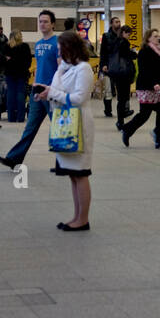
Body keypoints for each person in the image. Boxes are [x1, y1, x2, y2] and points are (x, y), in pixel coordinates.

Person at [34, 31, 95, 230]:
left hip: (78, 124)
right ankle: (76, 216)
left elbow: (79, 97)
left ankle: (83, 219)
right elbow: (57, 90)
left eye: (60, 50)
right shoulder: (63, 68)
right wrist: (45, 92)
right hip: (64, 123)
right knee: (72, 174)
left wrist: (53, 93)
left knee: (81, 173)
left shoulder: (84, 69)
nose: (58, 54)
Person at [0, 11, 62, 170]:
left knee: (58, 128)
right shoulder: (39, 44)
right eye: (40, 21)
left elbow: (61, 68)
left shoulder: (57, 43)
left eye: (46, 22)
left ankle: (63, 163)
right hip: (37, 90)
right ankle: (14, 158)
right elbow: (40, 67)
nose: (43, 24)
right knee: (30, 127)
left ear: (53, 24)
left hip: (51, 91)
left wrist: (54, 89)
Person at [121, 28, 160, 149]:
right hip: (147, 86)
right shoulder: (145, 51)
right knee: (145, 114)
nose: (158, 38)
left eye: (158, 36)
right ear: (148, 38)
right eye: (155, 36)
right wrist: (154, 83)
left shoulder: (159, 51)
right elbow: (145, 70)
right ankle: (127, 130)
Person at [104, 20, 137, 121]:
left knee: (121, 98)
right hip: (124, 73)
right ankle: (121, 119)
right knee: (123, 97)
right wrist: (134, 54)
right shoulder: (124, 42)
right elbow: (127, 55)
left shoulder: (115, 41)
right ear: (123, 33)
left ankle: (121, 119)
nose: (129, 36)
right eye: (128, 33)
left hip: (116, 72)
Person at [5, 30, 33, 125]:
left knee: (10, 94)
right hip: (22, 73)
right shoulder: (24, 46)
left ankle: (11, 117)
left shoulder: (7, 46)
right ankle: (20, 117)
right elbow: (29, 60)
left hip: (10, 73)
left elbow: (4, 61)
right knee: (21, 94)